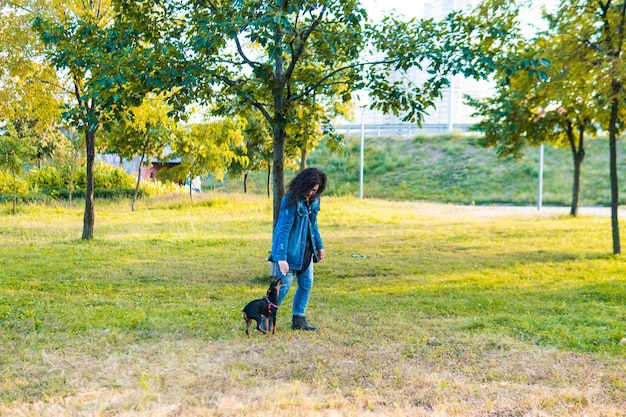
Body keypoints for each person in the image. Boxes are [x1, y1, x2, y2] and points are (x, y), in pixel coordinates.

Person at [270, 167, 327, 331]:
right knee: (284, 285)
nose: (310, 192)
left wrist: (319, 245)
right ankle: (265, 318)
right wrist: (281, 257)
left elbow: (313, 225)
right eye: (308, 188)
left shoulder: (315, 200)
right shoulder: (291, 200)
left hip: (307, 251)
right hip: (289, 251)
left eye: (315, 190)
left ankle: (298, 319)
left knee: (306, 284)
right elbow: (283, 229)